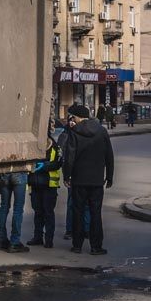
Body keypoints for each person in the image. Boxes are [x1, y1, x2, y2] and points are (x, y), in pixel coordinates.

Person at [61, 104, 114, 255]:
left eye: (73, 117)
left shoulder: (74, 132)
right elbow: (108, 155)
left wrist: (67, 175)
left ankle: (77, 245)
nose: (72, 120)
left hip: (79, 179)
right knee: (95, 213)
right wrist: (109, 176)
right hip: (97, 180)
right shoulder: (101, 131)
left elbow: (69, 157)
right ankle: (96, 246)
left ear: (78, 117)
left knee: (77, 211)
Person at [26, 128, 62, 249]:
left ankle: (49, 239)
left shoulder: (54, 146)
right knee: (38, 212)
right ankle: (38, 237)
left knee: (48, 213)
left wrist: (44, 166)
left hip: (49, 185)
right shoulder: (32, 145)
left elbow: (58, 163)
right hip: (35, 183)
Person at [0, 171, 30, 253]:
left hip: (5, 174)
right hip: (19, 174)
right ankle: (14, 242)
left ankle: (1, 240)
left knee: (4, 207)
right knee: (18, 209)